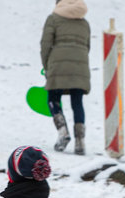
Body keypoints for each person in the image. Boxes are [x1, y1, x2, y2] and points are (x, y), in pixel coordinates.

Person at [41, 0, 91, 155]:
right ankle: (80, 142)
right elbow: (87, 46)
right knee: (77, 101)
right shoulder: (84, 23)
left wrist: (47, 65)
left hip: (58, 63)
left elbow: (45, 44)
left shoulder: (53, 19)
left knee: (53, 98)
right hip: (80, 65)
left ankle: (63, 132)